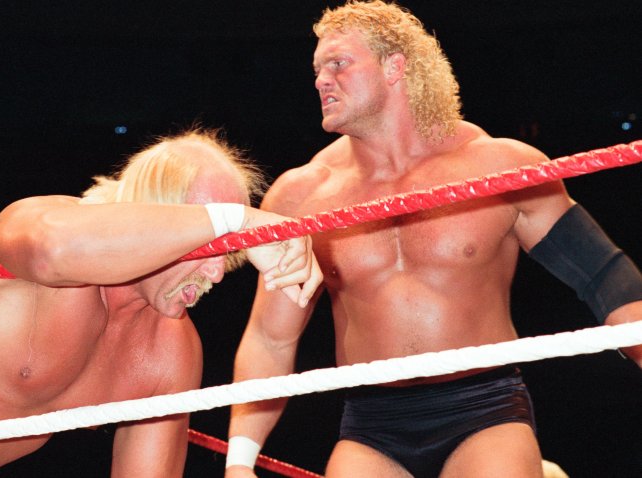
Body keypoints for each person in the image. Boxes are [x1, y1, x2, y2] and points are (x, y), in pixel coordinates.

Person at [225, 2, 642, 477]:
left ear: (394, 66)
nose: (321, 80)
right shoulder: (302, 195)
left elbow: (603, 275)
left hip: (484, 409)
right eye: (317, 69)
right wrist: (240, 462)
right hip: (371, 423)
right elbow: (270, 337)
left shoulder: (497, 166)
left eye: (338, 64)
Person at [0, 128, 323, 477]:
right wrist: (240, 223)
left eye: (226, 256)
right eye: (209, 250)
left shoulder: (169, 352)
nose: (215, 273)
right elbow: (53, 251)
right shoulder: (46, 230)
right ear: (158, 222)